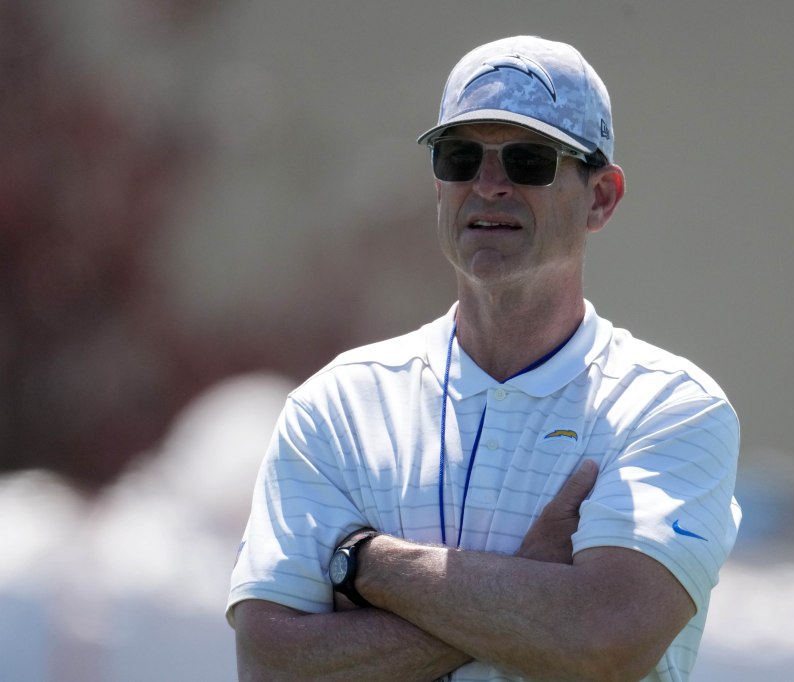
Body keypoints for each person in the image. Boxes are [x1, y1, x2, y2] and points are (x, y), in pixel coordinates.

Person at [227, 35, 741, 682]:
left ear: (601, 197)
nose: (488, 185)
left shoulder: (669, 408)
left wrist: (362, 564)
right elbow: (269, 665)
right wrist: (527, 587)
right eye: (460, 157)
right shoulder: (335, 407)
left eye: (529, 161)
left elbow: (605, 641)